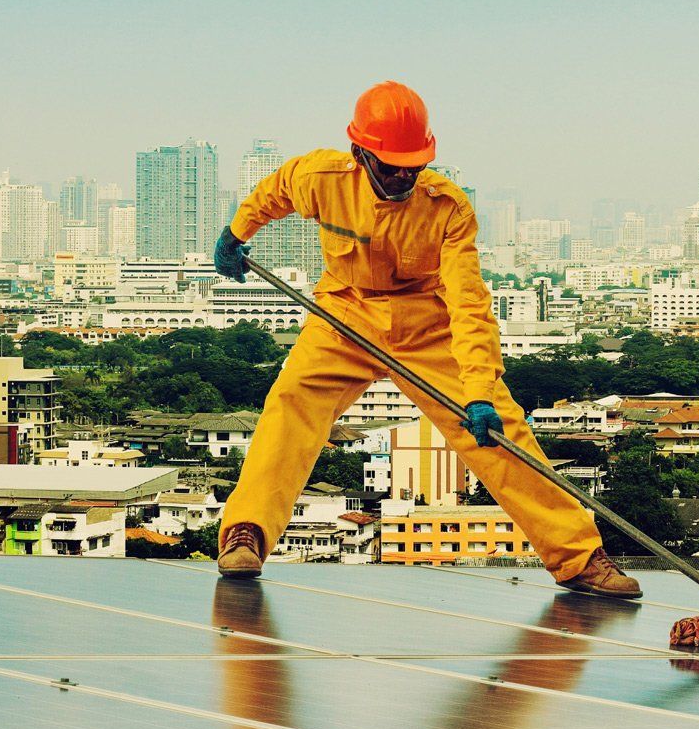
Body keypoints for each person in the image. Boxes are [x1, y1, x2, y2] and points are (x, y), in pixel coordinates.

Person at [212, 80, 640, 599]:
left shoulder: (448, 208)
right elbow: (274, 190)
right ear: (359, 154)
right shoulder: (321, 176)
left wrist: (479, 389)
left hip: (424, 324)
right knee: (291, 405)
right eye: (391, 166)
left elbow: (468, 302)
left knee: (498, 432)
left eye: (412, 167)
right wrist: (237, 233)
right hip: (344, 313)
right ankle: (247, 532)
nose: (402, 177)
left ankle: (578, 558)